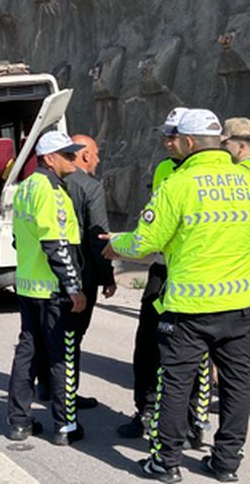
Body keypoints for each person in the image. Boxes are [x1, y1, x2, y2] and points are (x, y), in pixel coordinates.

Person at [103, 109, 250, 483]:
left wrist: (115, 245)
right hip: (239, 306)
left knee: (175, 384)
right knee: (237, 386)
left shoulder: (179, 184)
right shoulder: (245, 181)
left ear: (187, 142)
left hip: (188, 309)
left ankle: (165, 463)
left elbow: (145, 242)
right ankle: (227, 463)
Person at [117, 108, 211, 447]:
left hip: (194, 271)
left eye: (172, 136)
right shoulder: (163, 170)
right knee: (147, 344)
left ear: (189, 140)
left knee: (193, 353)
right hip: (161, 267)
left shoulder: (209, 172)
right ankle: (144, 409)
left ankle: (194, 421)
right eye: (164, 136)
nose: (166, 142)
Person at [7, 131, 88, 446]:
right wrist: (74, 287)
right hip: (54, 292)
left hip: (28, 287)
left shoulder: (24, 188)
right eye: (67, 155)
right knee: (61, 359)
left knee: (26, 354)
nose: (74, 159)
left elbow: (18, 239)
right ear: (49, 159)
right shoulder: (50, 192)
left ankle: (18, 422)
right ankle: (65, 428)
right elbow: (56, 244)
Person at [62, 135, 116, 409]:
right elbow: (98, 238)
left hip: (51, 273)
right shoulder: (90, 187)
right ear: (84, 155)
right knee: (73, 337)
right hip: (82, 276)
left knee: (51, 335)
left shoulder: (51, 182)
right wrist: (108, 277)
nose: (97, 159)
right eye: (95, 154)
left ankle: (49, 388)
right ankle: (67, 395)